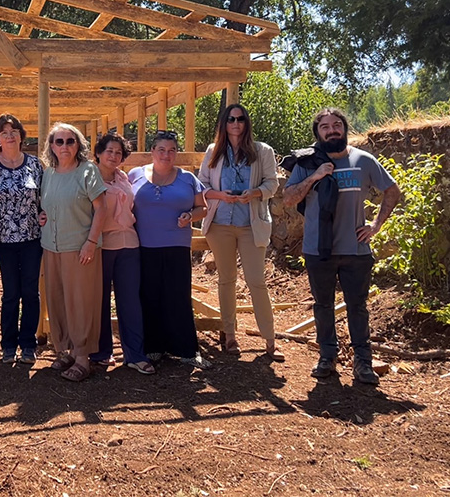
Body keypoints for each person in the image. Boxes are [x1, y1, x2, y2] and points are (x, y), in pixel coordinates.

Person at [283, 107, 401, 384]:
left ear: (345, 129)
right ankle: (327, 357)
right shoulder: (307, 163)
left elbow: (392, 190)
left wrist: (376, 225)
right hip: (318, 248)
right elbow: (288, 198)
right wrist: (314, 177)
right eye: (325, 127)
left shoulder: (363, 160)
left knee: (357, 307)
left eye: (337, 125)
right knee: (323, 305)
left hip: (355, 249)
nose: (332, 130)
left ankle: (363, 362)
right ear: (318, 133)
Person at [198, 105, 283, 361]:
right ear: (224, 123)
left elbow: (272, 183)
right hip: (220, 224)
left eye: (241, 119)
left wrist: (255, 193)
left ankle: (270, 339)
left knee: (256, 281)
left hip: (250, 224)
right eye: (231, 119)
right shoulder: (213, 151)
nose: (236, 123)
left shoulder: (262, 150)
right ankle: (230, 335)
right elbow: (201, 183)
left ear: (247, 123)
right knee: (226, 280)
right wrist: (220, 195)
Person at [129, 131, 210, 369]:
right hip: (144, 245)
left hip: (177, 245)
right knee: (149, 295)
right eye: (162, 150)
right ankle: (153, 348)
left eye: (172, 150)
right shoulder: (135, 175)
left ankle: (187, 350)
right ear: (152, 151)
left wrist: (190, 216)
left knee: (178, 295)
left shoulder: (188, 178)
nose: (167, 155)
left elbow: (203, 208)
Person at [39, 123, 107, 382]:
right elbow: (46, 206)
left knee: (81, 302)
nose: (64, 146)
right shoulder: (49, 174)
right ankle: (66, 350)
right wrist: (42, 216)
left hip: (79, 248)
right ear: (51, 146)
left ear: (78, 145)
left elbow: (101, 209)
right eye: (59, 141)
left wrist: (91, 241)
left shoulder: (87, 170)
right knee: (57, 299)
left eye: (70, 141)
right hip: (51, 246)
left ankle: (82, 358)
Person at [89, 132, 154, 375]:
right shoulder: (88, 178)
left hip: (129, 244)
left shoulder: (123, 177)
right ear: (98, 153)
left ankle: (135, 354)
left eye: (118, 152)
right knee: (100, 300)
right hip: (102, 245)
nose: (114, 156)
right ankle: (101, 352)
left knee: (130, 301)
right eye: (109, 151)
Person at [0, 114, 44, 365]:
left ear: (22, 136)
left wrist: (44, 214)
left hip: (32, 238)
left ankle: (28, 344)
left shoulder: (34, 164)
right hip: (4, 240)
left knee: (31, 292)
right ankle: (8, 345)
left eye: (14, 131)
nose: (9, 136)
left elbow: (44, 198)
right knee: (11, 293)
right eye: (4, 132)